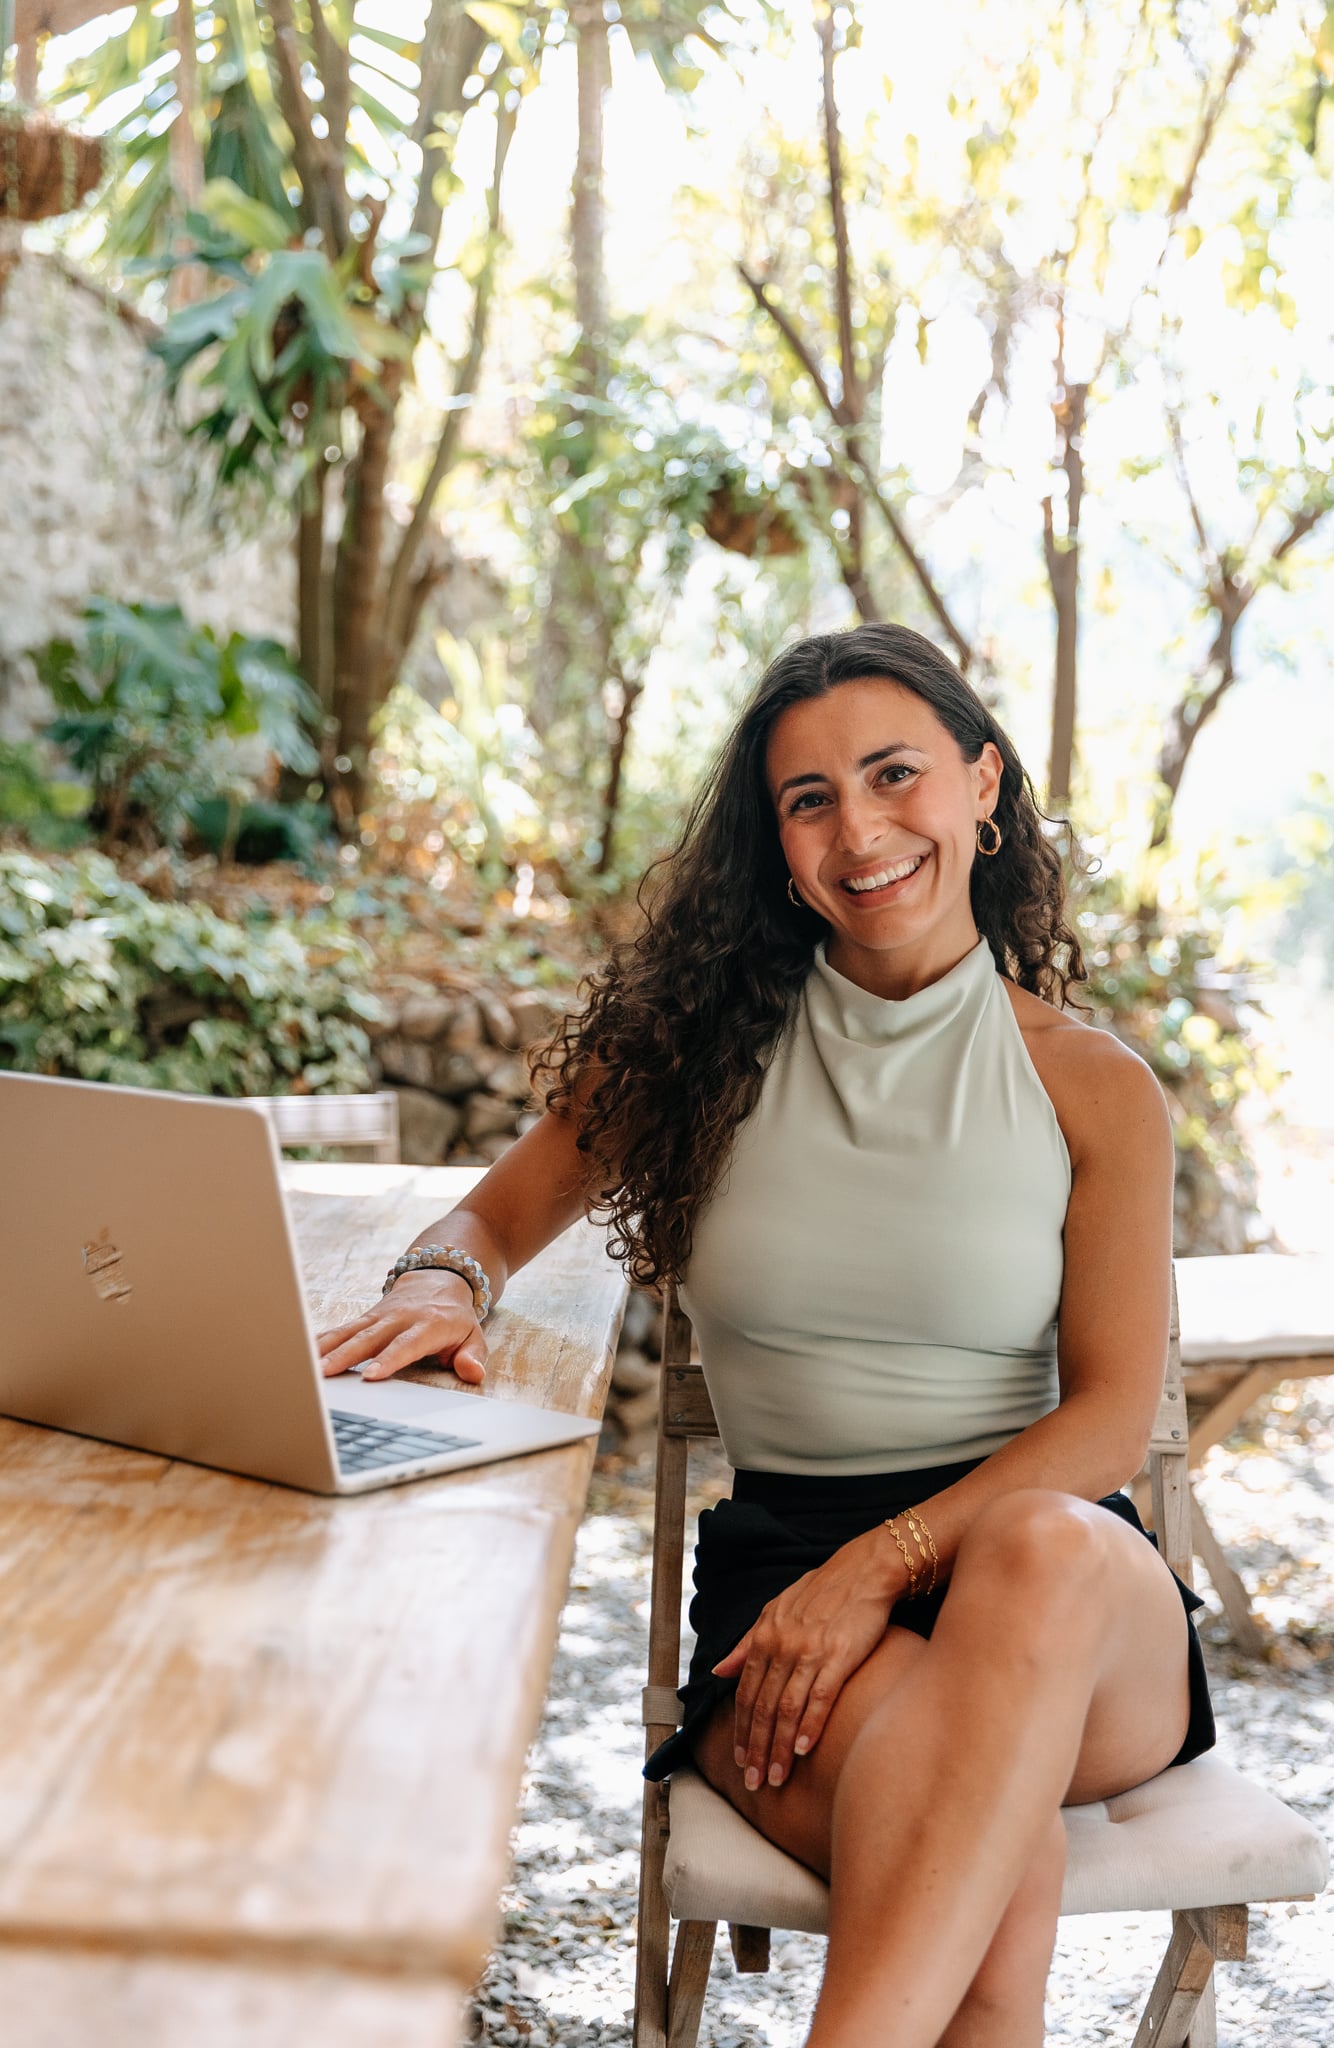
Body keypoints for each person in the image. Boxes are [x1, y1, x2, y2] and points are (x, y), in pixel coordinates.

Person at [319, 622, 1213, 2048]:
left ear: (981, 785)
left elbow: (1105, 1420)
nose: (858, 829)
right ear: (778, 845)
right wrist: (442, 1282)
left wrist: (880, 1569)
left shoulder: (1093, 1089)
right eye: (809, 801)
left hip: (1063, 1604)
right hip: (783, 1597)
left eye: (893, 775)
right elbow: (484, 1225)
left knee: (1038, 1550)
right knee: (997, 1864)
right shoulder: (696, 1052)